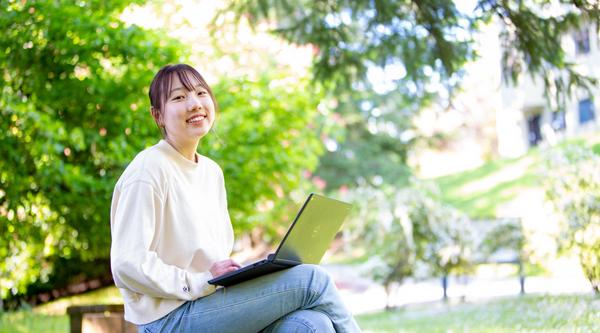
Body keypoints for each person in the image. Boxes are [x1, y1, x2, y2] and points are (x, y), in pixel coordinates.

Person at [110, 63, 361, 333]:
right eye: (179, 97)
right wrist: (202, 281)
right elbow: (127, 264)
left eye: (200, 93)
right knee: (314, 280)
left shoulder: (210, 172)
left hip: (209, 305)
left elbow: (213, 263)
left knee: (311, 324)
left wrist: (257, 273)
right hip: (169, 320)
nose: (194, 104)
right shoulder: (149, 168)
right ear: (158, 115)